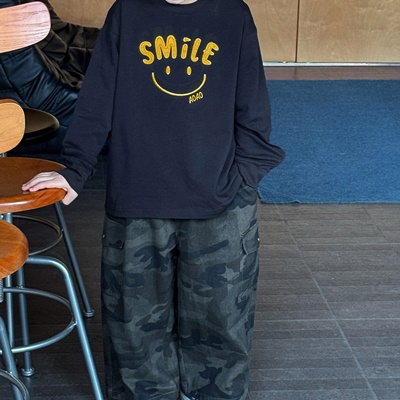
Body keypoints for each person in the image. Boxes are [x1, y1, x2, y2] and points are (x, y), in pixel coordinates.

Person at [22, 0, 285, 399]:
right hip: (137, 198)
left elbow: (252, 104)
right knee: (134, 332)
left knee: (221, 321)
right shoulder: (127, 12)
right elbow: (97, 98)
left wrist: (246, 175)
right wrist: (75, 168)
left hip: (220, 200)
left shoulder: (233, 14)